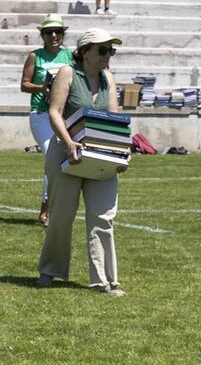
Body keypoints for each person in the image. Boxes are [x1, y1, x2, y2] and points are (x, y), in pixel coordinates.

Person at [39, 27, 124, 296]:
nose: (108, 55)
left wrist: (122, 151)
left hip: (100, 155)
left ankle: (106, 280)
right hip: (66, 154)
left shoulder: (108, 77)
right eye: (103, 50)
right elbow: (54, 111)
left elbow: (114, 120)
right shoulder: (67, 73)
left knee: (104, 217)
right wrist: (69, 142)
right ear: (85, 52)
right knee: (61, 217)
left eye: (111, 50)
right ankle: (50, 270)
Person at [20, 16, 72, 227]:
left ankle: (50, 209)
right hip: (41, 114)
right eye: (49, 32)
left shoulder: (70, 55)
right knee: (54, 155)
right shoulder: (35, 56)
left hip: (64, 114)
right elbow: (24, 84)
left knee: (61, 160)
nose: (54, 35)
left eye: (58, 32)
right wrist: (42, 88)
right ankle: (45, 209)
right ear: (42, 35)